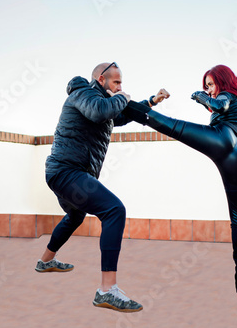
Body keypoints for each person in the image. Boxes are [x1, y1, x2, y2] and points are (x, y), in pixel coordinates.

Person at [37, 62, 169, 312]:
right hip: (67, 171)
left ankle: (45, 261)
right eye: (116, 82)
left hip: (67, 173)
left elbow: (120, 116)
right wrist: (122, 97)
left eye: (121, 83)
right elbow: (101, 111)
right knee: (114, 210)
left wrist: (152, 101)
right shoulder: (83, 94)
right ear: (101, 79)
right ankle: (107, 291)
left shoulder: (103, 102)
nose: (120, 87)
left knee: (75, 216)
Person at [122, 64, 237, 293]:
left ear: (223, 81)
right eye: (207, 87)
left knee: (173, 127)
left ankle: (120, 102)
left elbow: (218, 105)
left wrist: (201, 96)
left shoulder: (228, 96)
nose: (210, 90)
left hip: (223, 139)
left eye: (211, 84)